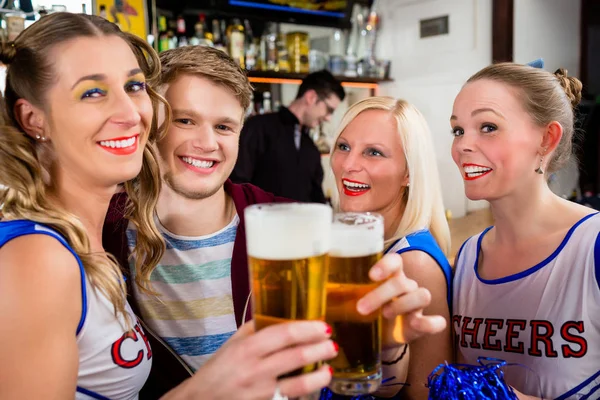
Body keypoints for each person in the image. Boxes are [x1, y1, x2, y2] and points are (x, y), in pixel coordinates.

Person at [0, 13, 338, 400]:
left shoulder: (285, 225)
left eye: (132, 87)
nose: (127, 113)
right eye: (185, 120)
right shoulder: (45, 253)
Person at [104, 46, 447, 399]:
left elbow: (372, 383)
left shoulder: (295, 229)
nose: (206, 143)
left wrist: (387, 350)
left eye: (224, 126)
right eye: (185, 120)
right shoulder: (103, 229)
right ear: (154, 121)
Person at [451, 63, 600, 399]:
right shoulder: (465, 260)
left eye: (488, 127)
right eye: (458, 130)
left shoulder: (592, 246)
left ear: (546, 139)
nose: (462, 146)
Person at [329, 97, 453, 399]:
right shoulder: (360, 250)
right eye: (344, 147)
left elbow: (427, 393)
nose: (349, 164)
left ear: (409, 173)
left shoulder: (414, 262)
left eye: (373, 152)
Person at [231, 70, 345, 203]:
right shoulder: (259, 127)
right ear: (311, 97)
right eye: (329, 110)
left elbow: (317, 197)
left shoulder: (310, 146)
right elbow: (237, 183)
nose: (328, 118)